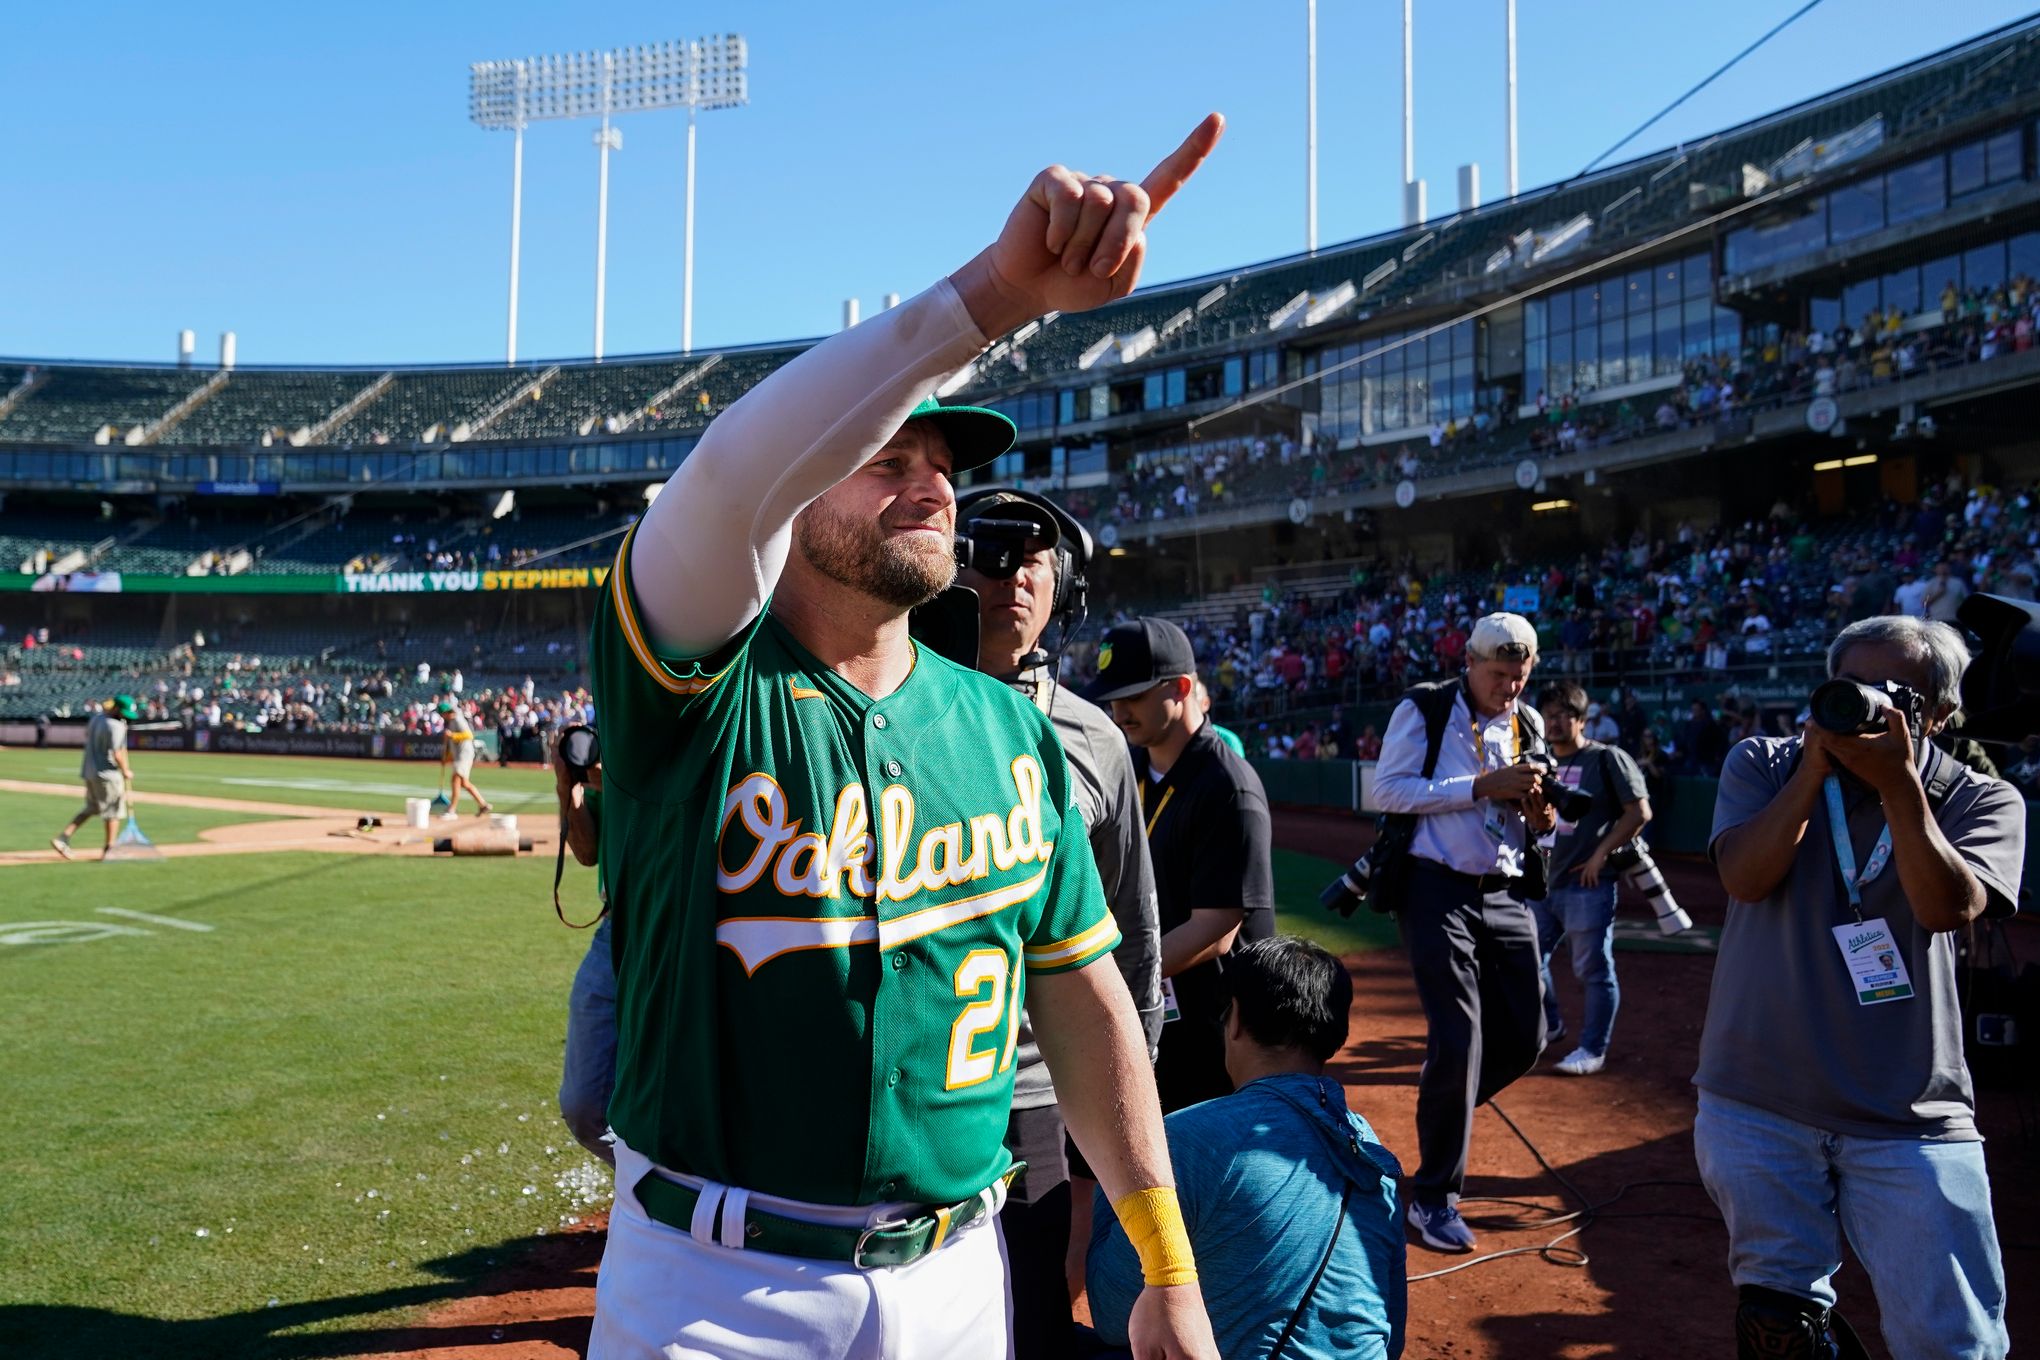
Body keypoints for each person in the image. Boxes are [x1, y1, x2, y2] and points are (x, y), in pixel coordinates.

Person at [584, 117, 1226, 1360]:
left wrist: (1168, 1264)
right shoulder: (699, 684)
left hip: (957, 1279)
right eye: (888, 456)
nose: (934, 484)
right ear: (797, 491)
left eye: (944, 463)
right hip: (716, 1290)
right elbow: (723, 477)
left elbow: (1088, 999)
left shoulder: (1007, 726)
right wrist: (998, 293)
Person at [1699, 615, 2019, 1358]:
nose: (1868, 701)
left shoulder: (1981, 800)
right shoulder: (1766, 762)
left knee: (1953, 1341)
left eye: (1894, 691)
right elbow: (1744, 878)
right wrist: (1814, 772)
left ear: (1938, 714)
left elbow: (1946, 907)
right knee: (1781, 1328)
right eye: (1853, 685)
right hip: (1757, 1098)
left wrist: (1900, 785)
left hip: (1910, 1113)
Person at [955, 487, 1165, 1360]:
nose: (1012, 576)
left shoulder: (1097, 740)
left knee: (1032, 1313)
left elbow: (1131, 929)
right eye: (989, 554)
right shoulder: (879, 711)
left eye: (1034, 559)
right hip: (912, 1088)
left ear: (1064, 590)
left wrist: (1129, 1077)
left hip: (1036, 1092)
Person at [1087, 937, 1406, 1359]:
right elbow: (1390, 1337)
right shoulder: (1369, 1150)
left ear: (1234, 1019)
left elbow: (1112, 1317)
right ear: (1336, 1034)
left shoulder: (1186, 1137)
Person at [1371, 612, 1553, 1253]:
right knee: (1459, 1037)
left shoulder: (1528, 722)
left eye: (1520, 676)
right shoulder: (1423, 710)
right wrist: (1481, 785)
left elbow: (1540, 823)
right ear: (1469, 663)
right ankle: (1434, 1200)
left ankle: (1441, 1107)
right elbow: (1387, 792)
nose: (1510, 687)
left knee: (1529, 1036)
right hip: (1434, 888)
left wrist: (1541, 813)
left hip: (1504, 891)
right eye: (1499, 674)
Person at [1088, 617, 1276, 1115]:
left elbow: (1216, 928)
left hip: (1220, 1027)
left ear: (1182, 688)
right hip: (1157, 1011)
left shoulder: (1226, 785)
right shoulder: (1128, 766)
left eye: (1134, 695)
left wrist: (1118, 978)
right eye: (1113, 697)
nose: (1119, 710)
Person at [1530, 681, 1650, 1076]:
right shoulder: (1540, 761)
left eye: (1565, 714)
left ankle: (1592, 1048)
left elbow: (1639, 812)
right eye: (1549, 714)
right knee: (1527, 961)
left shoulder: (1606, 758)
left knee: (1594, 970)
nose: (1555, 722)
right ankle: (1551, 1025)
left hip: (1587, 883)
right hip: (1542, 882)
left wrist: (1601, 854)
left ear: (1582, 719)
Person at [554, 746, 614, 1164]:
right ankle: (647, 1192)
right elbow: (586, 851)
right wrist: (567, 787)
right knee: (583, 1106)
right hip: (617, 928)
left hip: (680, 933)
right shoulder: (608, 750)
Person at [50, 694, 137, 861]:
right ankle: (109, 849)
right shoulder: (116, 726)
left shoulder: (96, 719)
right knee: (113, 813)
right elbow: (118, 753)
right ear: (117, 709)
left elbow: (88, 735)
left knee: (93, 808)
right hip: (107, 775)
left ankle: (63, 838)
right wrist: (126, 770)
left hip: (89, 772)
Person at [438, 698, 493, 820]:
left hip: (465, 754)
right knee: (464, 783)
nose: (441, 717)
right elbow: (453, 745)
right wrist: (446, 758)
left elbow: (469, 735)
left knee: (455, 779)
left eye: (442, 714)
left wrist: (452, 735)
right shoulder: (451, 722)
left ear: (446, 713)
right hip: (460, 755)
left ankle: (452, 810)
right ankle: (483, 804)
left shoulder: (457, 719)